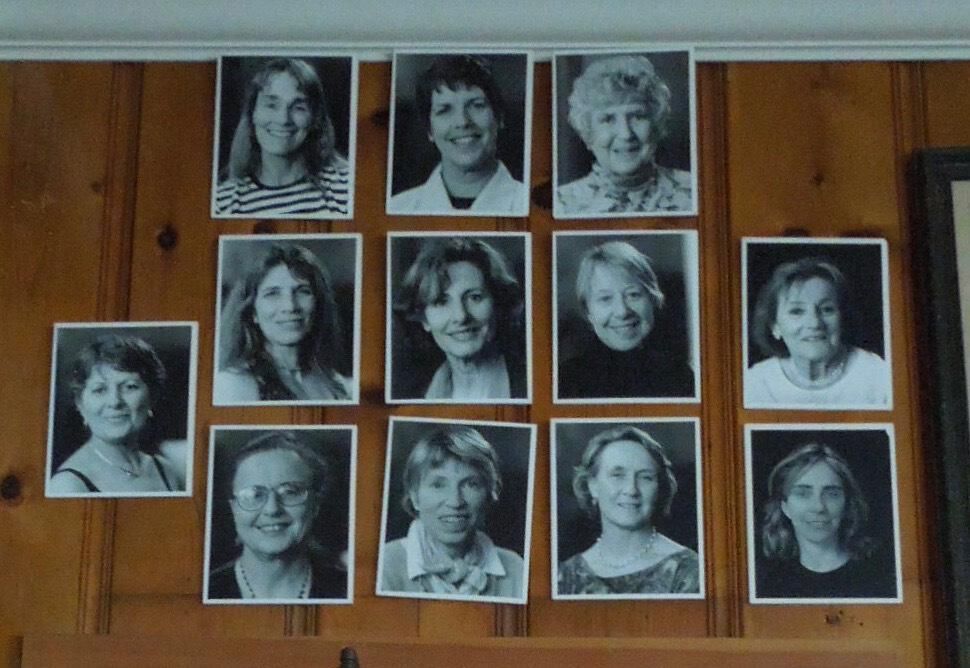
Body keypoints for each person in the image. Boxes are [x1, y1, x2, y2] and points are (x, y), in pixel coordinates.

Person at [380, 425, 524, 598]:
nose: (455, 502)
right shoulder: (383, 565)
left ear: (490, 493)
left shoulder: (516, 569)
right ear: (415, 497)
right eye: (438, 485)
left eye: (471, 484)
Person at [557, 426, 699, 595]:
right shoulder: (565, 575)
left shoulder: (688, 570)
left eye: (645, 477)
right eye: (617, 475)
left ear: (660, 488)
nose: (631, 490)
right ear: (592, 485)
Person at [208, 431, 347, 600]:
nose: (272, 509)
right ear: (234, 508)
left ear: (315, 505)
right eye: (254, 494)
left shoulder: (346, 589)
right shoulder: (204, 590)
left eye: (289, 492)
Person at [389, 54, 527, 215]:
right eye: (444, 110)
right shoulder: (399, 207)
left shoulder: (527, 202)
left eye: (476, 105)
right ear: (429, 130)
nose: (462, 122)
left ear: (499, 118)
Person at [215, 242, 353, 403]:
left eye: (302, 291)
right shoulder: (234, 384)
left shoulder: (336, 383)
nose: (290, 306)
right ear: (252, 312)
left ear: (318, 303)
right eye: (272, 294)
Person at [48, 334, 186, 494]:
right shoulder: (67, 485)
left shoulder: (166, 470)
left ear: (152, 396)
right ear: (80, 404)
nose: (115, 402)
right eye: (100, 390)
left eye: (129, 387)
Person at [392, 237, 527, 401]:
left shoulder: (530, 383)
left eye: (475, 297)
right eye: (441, 301)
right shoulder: (412, 395)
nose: (461, 316)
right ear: (423, 318)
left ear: (498, 304)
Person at [757, 442, 897, 599]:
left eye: (832, 494)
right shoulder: (770, 585)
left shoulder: (882, 579)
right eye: (803, 494)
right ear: (785, 506)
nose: (819, 507)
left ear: (847, 504)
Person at [745, 256, 891, 407]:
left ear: (843, 317)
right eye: (797, 311)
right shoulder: (756, 383)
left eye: (827, 309)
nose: (814, 323)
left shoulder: (878, 376)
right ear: (775, 326)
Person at [557, 240, 695, 400]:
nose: (622, 312)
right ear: (588, 311)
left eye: (633, 295)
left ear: (653, 299)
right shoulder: (567, 380)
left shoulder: (681, 375)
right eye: (605, 298)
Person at [556, 54, 692, 216]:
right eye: (608, 119)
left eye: (637, 117)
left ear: (656, 124)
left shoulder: (693, 190)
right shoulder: (562, 203)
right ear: (588, 133)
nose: (625, 134)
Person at [214, 57, 351, 217]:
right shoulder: (223, 202)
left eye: (298, 107)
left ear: (314, 118)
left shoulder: (345, 190)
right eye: (271, 105)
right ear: (252, 113)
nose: (283, 119)